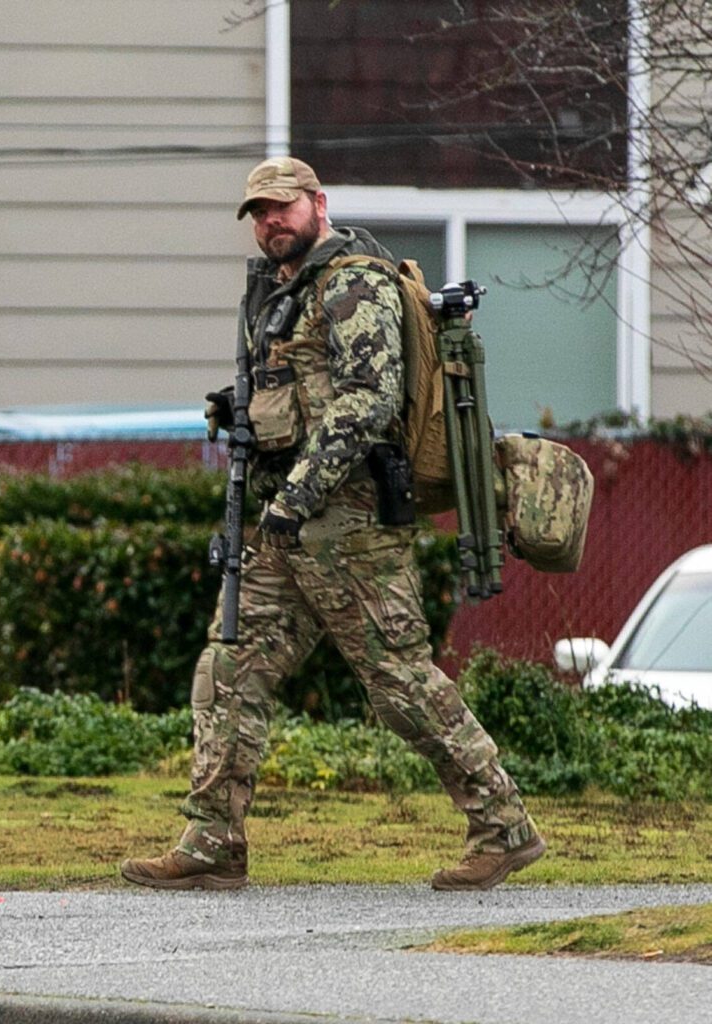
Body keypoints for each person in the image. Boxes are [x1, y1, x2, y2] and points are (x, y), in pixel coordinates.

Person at [121, 156, 545, 892]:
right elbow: (306, 395)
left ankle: (503, 828)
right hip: (287, 524)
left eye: (280, 207)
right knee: (228, 667)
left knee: (399, 684)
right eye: (257, 212)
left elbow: (367, 403)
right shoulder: (281, 291)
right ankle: (213, 839)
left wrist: (298, 496)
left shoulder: (354, 281)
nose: (268, 222)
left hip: (349, 524)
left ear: (318, 204)